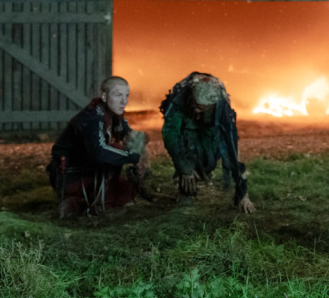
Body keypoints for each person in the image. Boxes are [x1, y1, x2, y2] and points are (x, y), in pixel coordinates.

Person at [48, 76, 145, 218]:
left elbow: (129, 135)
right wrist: (133, 157)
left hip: (88, 169)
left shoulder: (115, 115)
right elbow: (99, 152)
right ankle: (90, 204)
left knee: (128, 190)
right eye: (118, 95)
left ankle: (85, 202)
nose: (124, 101)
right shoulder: (93, 118)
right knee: (117, 149)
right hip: (70, 175)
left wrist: (140, 146)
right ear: (104, 96)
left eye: (126, 95)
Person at [160, 72, 256, 214]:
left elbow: (232, 148)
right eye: (194, 105)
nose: (195, 109)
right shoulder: (179, 100)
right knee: (187, 160)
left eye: (200, 107)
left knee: (209, 158)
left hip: (211, 130)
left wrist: (243, 194)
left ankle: (200, 172)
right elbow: (172, 136)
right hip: (186, 130)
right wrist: (185, 167)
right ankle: (186, 192)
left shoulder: (222, 109)